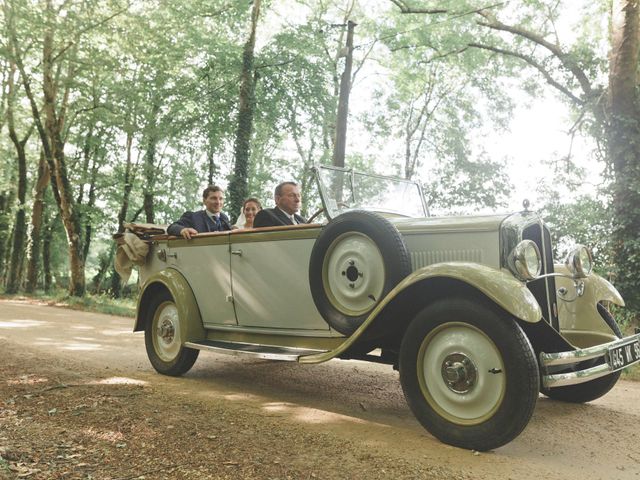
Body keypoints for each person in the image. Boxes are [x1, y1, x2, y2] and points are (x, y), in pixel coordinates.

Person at [167, 185, 231, 239]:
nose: (218, 202)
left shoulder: (224, 218)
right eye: (213, 198)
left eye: (221, 199)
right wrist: (182, 230)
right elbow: (172, 227)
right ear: (204, 201)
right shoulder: (193, 217)